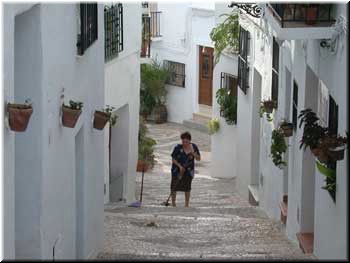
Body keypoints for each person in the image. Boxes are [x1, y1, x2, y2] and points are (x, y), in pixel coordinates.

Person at [170, 131, 201, 207]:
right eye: (183, 141)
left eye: (186, 142)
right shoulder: (178, 147)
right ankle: (173, 203)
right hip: (177, 170)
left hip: (189, 170)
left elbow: (198, 159)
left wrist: (193, 152)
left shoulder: (194, 147)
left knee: (187, 187)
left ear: (190, 141)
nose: (185, 143)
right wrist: (180, 167)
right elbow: (173, 159)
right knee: (174, 186)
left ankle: (186, 204)